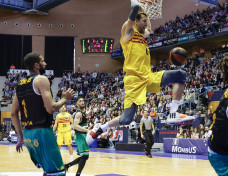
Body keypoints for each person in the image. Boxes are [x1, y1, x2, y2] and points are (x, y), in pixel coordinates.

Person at [87, 0, 195, 143]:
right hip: (133, 81)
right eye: (143, 21)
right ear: (136, 22)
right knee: (126, 119)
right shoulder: (128, 34)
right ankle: (101, 127)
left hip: (148, 77)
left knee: (180, 74)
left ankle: (173, 112)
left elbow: (148, 28)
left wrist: (145, 11)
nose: (146, 24)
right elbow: (131, 18)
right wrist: (136, 5)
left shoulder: (143, 37)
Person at [11, 52, 74, 176]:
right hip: (42, 132)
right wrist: (65, 99)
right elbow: (51, 108)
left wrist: (20, 137)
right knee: (58, 172)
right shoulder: (41, 79)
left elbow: (13, 113)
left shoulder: (20, 85)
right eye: (42, 61)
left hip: (28, 133)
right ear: (36, 65)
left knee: (47, 169)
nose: (45, 63)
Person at [64, 97, 89, 176]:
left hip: (82, 135)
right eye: (80, 101)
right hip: (80, 135)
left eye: (83, 101)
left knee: (85, 156)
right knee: (85, 156)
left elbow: (82, 125)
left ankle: (67, 166)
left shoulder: (83, 112)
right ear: (77, 103)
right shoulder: (79, 113)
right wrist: (87, 130)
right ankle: (77, 173)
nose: (82, 102)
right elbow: (75, 126)